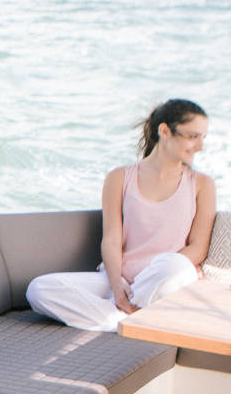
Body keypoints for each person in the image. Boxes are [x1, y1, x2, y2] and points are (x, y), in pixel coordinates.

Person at [25, 98, 217, 331]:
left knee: (176, 265)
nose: (200, 146)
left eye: (202, 137)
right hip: (122, 278)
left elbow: (198, 247)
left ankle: (125, 314)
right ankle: (124, 320)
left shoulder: (201, 184)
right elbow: (112, 239)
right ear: (165, 131)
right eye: (192, 136)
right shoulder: (119, 178)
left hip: (166, 280)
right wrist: (117, 286)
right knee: (39, 289)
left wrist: (150, 276)